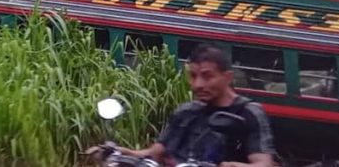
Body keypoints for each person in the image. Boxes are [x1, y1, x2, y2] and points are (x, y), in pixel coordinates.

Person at [93, 44, 277, 167]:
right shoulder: (187, 112)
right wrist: (119, 152)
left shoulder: (248, 113)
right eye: (193, 76)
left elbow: (264, 162)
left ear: (227, 77)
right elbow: (155, 154)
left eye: (207, 76)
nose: (198, 84)